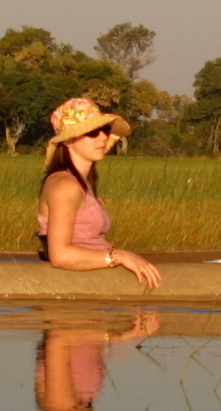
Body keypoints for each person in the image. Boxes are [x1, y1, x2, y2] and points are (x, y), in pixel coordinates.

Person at [37, 97, 163, 290]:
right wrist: (118, 256)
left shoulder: (83, 183)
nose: (103, 137)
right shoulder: (65, 185)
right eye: (93, 132)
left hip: (95, 280)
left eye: (105, 130)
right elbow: (60, 255)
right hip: (77, 296)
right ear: (69, 141)